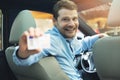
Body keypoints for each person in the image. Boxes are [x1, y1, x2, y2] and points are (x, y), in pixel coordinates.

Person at [13, 0, 107, 80]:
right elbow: (26, 57)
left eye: (74, 19)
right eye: (65, 19)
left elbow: (80, 45)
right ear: (54, 21)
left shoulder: (67, 38)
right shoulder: (50, 39)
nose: (71, 24)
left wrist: (97, 38)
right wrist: (22, 54)